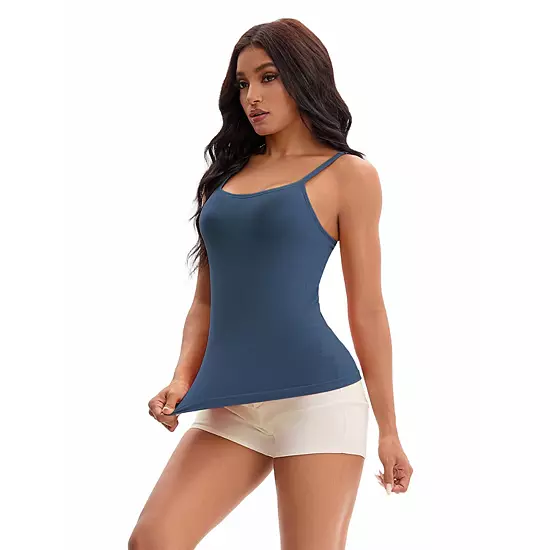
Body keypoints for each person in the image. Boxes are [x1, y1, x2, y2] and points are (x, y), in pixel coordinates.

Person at [129, 17, 413, 550]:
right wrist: (181, 378)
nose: (252, 97)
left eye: (268, 77)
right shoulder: (224, 179)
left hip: (319, 401)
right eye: (242, 83)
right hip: (232, 403)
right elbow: (206, 301)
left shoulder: (349, 176)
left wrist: (390, 430)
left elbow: (368, 309)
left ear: (303, 77)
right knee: (154, 540)